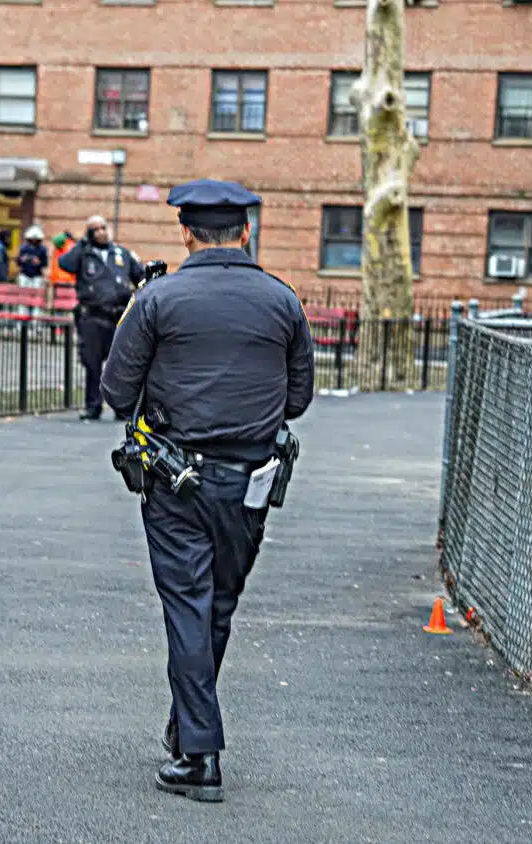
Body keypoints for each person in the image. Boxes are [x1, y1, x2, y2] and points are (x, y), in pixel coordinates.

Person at [100, 179, 315, 801]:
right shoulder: (283, 300)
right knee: (216, 607)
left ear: (186, 233)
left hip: (177, 478)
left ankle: (199, 754)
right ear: (245, 232)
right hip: (250, 480)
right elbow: (296, 400)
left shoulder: (159, 299)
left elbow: (116, 392)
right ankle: (188, 729)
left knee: (189, 606)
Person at [58, 214, 143, 420]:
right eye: (94, 229)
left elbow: (139, 275)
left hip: (119, 317)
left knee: (122, 365)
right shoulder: (83, 254)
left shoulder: (121, 253)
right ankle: (93, 406)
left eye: (103, 227)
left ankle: (121, 408)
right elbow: (65, 264)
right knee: (92, 363)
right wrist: (82, 243)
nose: (101, 232)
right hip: (92, 317)